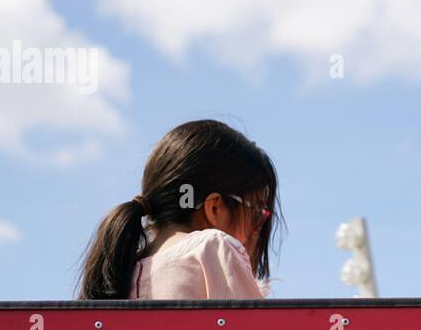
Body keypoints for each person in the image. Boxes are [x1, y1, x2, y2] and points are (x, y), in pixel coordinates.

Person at [77, 119, 281, 300]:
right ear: (215, 208)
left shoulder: (121, 271)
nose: (258, 230)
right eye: (257, 213)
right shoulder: (214, 249)